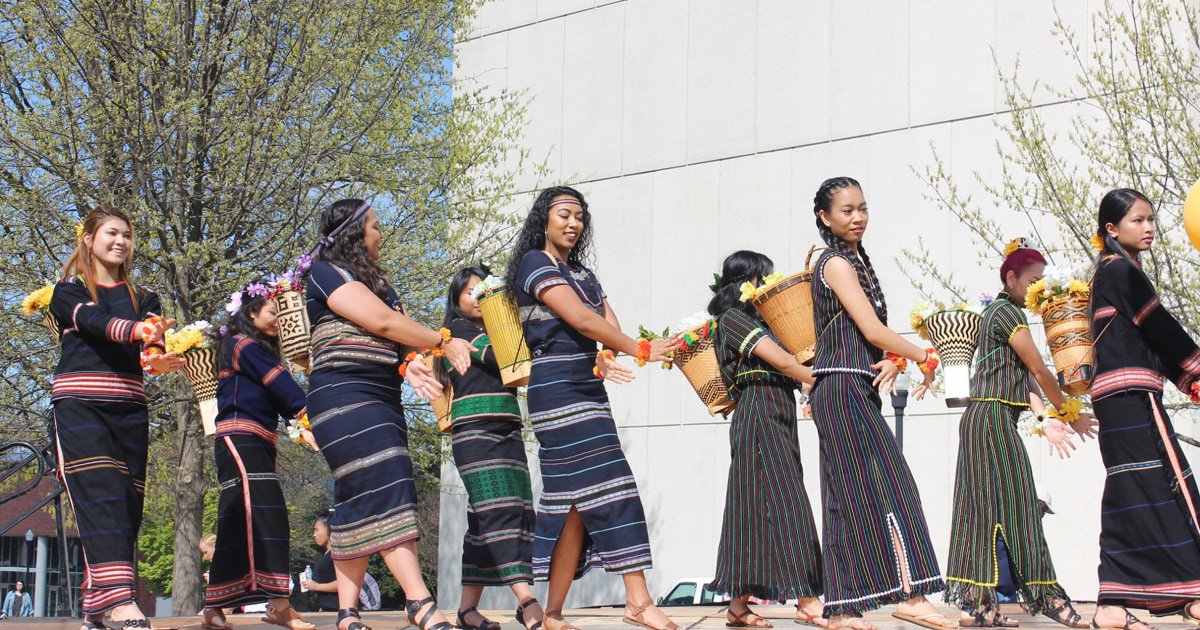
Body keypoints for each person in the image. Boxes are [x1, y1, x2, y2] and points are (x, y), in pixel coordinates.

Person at [504, 186, 678, 630]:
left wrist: (608, 352)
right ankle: (637, 600)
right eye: (564, 214)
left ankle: (553, 612)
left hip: (587, 387)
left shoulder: (581, 272)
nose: (573, 223)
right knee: (613, 482)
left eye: (579, 217)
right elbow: (582, 320)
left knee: (575, 503)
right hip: (557, 390)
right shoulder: (534, 264)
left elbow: (605, 325)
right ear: (544, 218)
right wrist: (641, 349)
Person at [304, 199, 472, 630]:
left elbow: (397, 338)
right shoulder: (326, 273)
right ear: (354, 233)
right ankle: (419, 601)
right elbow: (380, 322)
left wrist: (410, 362)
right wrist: (442, 340)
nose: (382, 234)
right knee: (389, 479)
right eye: (376, 226)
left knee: (357, 497)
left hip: (383, 397)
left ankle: (346, 612)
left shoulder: (384, 285)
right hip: (342, 397)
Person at [806, 177, 953, 630]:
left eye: (863, 208)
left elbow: (864, 337)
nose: (858, 217)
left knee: (847, 495)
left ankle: (842, 609)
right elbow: (871, 330)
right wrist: (925, 354)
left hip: (849, 385)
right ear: (825, 218)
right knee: (892, 485)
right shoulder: (834, 264)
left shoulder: (850, 262)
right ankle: (910, 593)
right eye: (847, 210)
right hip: (843, 388)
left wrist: (891, 360)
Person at [944, 240, 1095, 628]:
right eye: (1033, 281)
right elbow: (1042, 371)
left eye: (1042, 282)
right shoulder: (1008, 314)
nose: (1038, 290)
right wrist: (1069, 410)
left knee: (986, 511)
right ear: (1011, 278)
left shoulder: (1000, 313)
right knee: (1020, 508)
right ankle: (1046, 597)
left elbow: (1024, 380)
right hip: (991, 420)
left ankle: (979, 605)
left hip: (989, 419)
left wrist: (1046, 421)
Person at [49, 206, 183, 630]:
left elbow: (150, 351)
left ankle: (97, 605)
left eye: (126, 235)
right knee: (101, 491)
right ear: (89, 238)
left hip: (130, 409)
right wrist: (138, 332)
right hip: (79, 405)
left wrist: (160, 359)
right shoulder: (68, 289)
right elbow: (94, 322)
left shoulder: (145, 298)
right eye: (111, 233)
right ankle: (123, 601)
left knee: (126, 505)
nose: (120, 241)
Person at [1088, 189, 1200, 630]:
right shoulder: (1121, 272)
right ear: (1112, 230)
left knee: (1133, 491)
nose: (1149, 228)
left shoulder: (1109, 273)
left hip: (1116, 399)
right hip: (1132, 395)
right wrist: (1194, 372)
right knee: (1173, 483)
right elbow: (1160, 328)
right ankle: (1194, 590)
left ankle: (1114, 603)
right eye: (1138, 221)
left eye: (1151, 219)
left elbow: (1153, 334)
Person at [706, 251, 827, 629]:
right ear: (749, 280)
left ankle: (738, 607)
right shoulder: (733, 319)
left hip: (776, 408)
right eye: (767, 278)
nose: (771, 286)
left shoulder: (756, 320)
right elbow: (788, 364)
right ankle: (808, 601)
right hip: (759, 408)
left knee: (751, 508)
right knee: (786, 498)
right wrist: (827, 381)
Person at [201, 281, 319, 630]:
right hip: (239, 439)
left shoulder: (256, 349)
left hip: (257, 441)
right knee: (268, 517)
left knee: (240, 520)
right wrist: (313, 410)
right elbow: (281, 385)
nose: (279, 321)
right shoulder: (241, 344)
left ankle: (215, 608)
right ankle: (279, 606)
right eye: (273, 313)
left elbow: (280, 398)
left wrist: (302, 424)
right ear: (251, 313)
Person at [433, 267, 543, 630]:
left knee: (488, 519)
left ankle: (467, 610)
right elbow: (501, 357)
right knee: (500, 512)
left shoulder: (497, 329)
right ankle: (527, 601)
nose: (477, 297)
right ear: (456, 299)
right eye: (468, 292)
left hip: (508, 427)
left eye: (483, 290)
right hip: (475, 432)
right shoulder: (455, 335)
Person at [301, 516, 339, 613]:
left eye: (317, 530)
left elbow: (343, 583)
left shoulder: (337, 553)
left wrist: (316, 586)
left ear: (329, 530)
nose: (314, 535)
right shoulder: (327, 554)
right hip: (328, 607)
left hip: (338, 607)